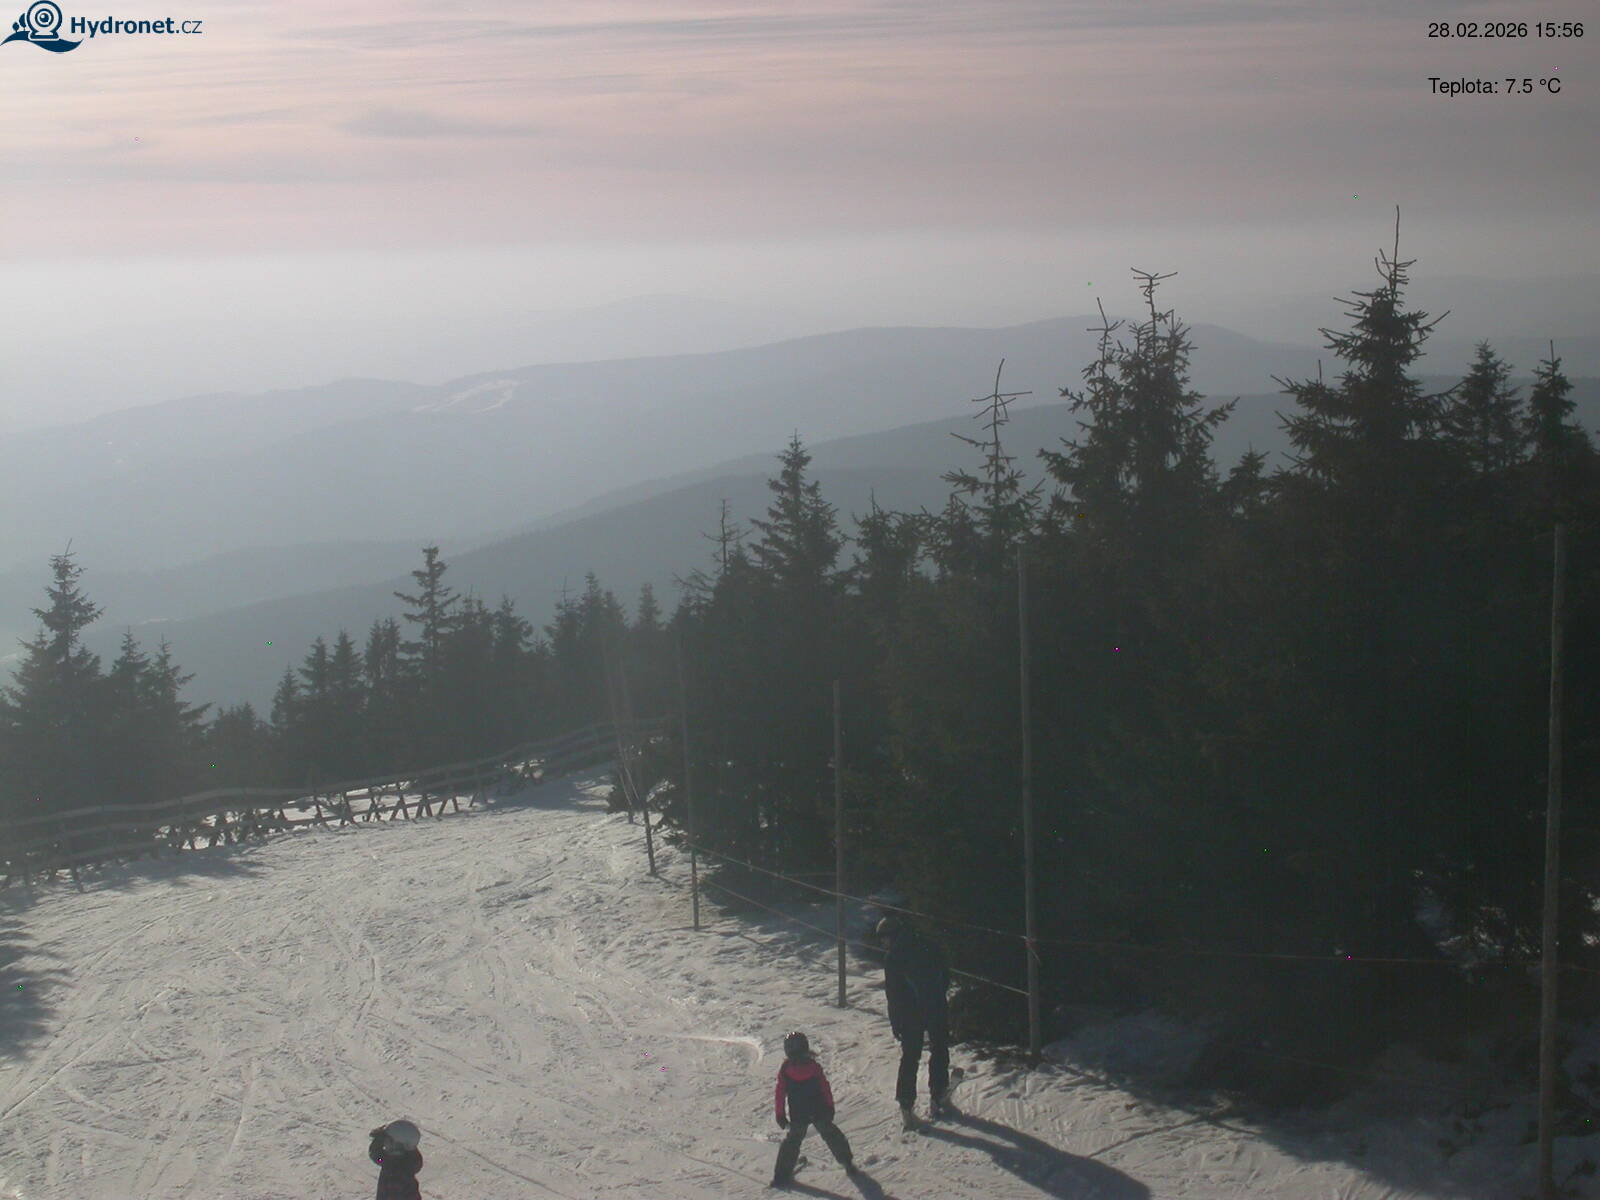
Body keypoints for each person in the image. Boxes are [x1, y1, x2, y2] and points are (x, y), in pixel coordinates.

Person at [877, 914, 951, 1124]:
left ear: (892, 935)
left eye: (884, 938)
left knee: (910, 1057)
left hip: (911, 1014)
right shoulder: (927, 945)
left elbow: (893, 994)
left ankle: (906, 1104)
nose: (883, 943)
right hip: (936, 1006)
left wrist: (896, 1022)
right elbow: (945, 974)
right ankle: (938, 1093)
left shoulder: (894, 957)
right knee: (939, 1048)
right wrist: (937, 997)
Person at [771, 1031, 858, 1189]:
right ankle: (847, 1161)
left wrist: (780, 1115)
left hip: (798, 1114)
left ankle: (781, 1174)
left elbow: (780, 1093)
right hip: (819, 1110)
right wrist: (830, 1107)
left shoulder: (786, 1070)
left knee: (792, 1141)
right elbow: (825, 1087)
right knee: (831, 1134)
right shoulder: (814, 1067)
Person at [367, 1119, 424, 1200]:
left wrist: (378, 1140)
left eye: (387, 1140)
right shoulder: (409, 1162)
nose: (385, 1143)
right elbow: (378, 1157)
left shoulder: (394, 1171)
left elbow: (378, 1157)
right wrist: (378, 1141)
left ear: (396, 1144)